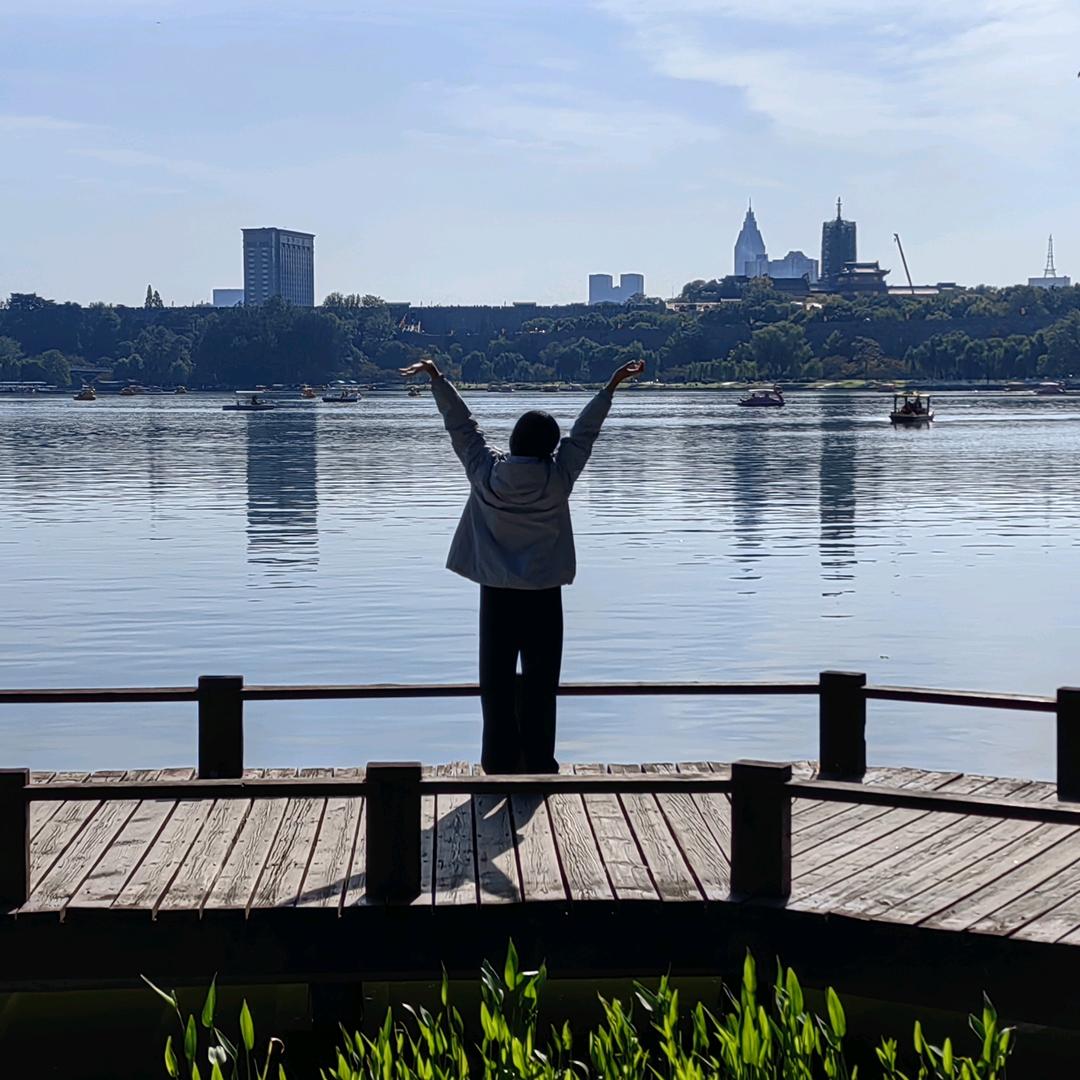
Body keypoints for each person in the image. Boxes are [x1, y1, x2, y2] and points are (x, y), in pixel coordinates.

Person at [400, 356, 645, 774]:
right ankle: (538, 763)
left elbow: (462, 427)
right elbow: (584, 435)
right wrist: (611, 386)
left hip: (496, 594)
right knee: (541, 684)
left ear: (513, 440)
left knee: (495, 686)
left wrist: (437, 378)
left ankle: (497, 763)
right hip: (544, 595)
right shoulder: (558, 479)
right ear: (551, 448)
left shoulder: (485, 473)